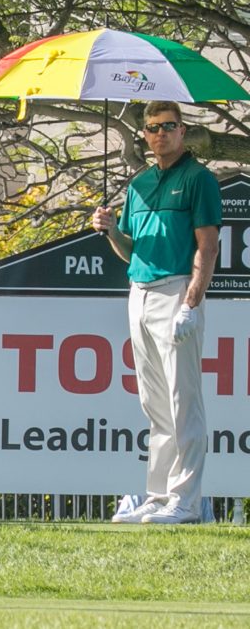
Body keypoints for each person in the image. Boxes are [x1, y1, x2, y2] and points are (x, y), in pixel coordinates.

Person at [92, 101, 221, 525]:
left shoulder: (199, 179)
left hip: (177, 289)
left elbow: (207, 246)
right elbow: (131, 249)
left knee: (183, 401)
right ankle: (159, 495)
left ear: (182, 132)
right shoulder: (139, 183)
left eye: (169, 126)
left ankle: (186, 501)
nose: (160, 133)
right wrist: (111, 229)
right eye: (152, 127)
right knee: (154, 404)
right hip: (140, 290)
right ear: (144, 135)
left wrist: (192, 302)